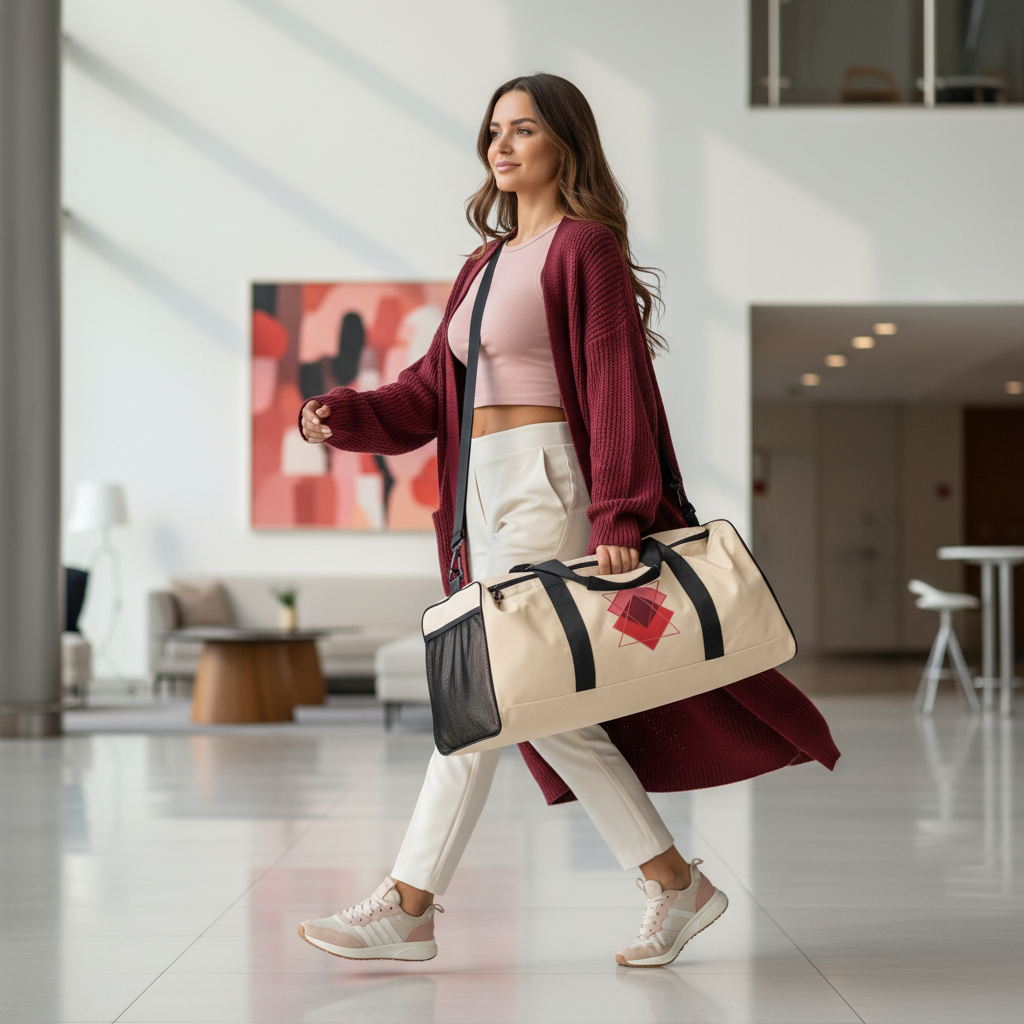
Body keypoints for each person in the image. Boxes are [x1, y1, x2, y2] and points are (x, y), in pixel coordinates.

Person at [295, 74, 839, 968]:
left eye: (524, 131)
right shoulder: (483, 264)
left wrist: (619, 512)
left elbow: (617, 382)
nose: (502, 146)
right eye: (494, 131)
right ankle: (674, 882)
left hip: (552, 484)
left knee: (484, 690)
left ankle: (408, 903)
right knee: (545, 706)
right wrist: (348, 415)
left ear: (564, 146)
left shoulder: (584, 248)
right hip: (480, 490)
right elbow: (435, 390)